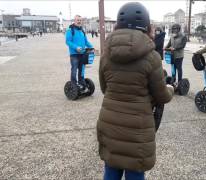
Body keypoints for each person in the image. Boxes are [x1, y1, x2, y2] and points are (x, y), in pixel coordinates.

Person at [97, 2, 174, 180]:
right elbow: (161, 95)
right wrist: (170, 88)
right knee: (134, 171)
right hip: (137, 127)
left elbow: (104, 88)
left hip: (109, 121)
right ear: (147, 27)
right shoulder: (152, 57)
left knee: (111, 168)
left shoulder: (106, 54)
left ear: (117, 25)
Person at [65, 15, 93, 91]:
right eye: (77, 20)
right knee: (74, 69)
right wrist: (76, 47)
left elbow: (86, 42)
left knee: (82, 70)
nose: (79, 21)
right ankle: (73, 85)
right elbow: (68, 41)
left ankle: (81, 82)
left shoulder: (82, 31)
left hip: (83, 54)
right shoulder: (70, 30)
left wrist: (92, 47)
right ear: (74, 20)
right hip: (74, 54)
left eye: (80, 20)